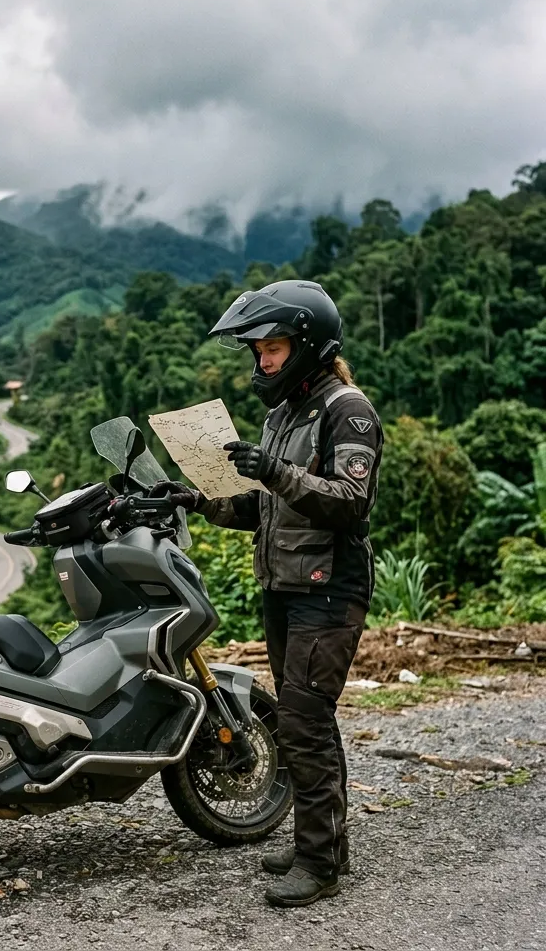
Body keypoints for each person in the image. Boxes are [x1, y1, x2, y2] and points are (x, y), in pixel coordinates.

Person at [152, 279, 383, 909]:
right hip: (283, 583)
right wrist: (198, 499)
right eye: (257, 350)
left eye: (273, 346)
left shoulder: (347, 410)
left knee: (304, 723)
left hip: (329, 588)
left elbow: (349, 502)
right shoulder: (284, 412)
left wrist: (276, 471)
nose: (264, 359)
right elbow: (268, 506)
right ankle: (323, 840)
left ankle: (318, 863)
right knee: (306, 719)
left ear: (306, 343)